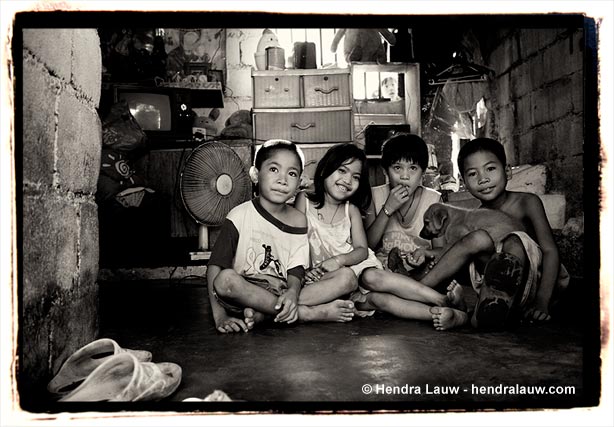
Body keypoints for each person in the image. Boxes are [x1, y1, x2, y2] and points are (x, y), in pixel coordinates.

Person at [427, 138, 570, 331]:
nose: (482, 179)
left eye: (490, 169)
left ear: (508, 171)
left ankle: (467, 312)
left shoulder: (527, 202)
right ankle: (434, 296)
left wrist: (542, 301)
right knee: (477, 239)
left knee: (514, 241)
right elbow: (457, 255)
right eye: (472, 174)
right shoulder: (477, 218)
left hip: (532, 285)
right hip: (494, 291)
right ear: (464, 183)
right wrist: (426, 254)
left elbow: (550, 250)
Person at [206, 139, 310, 333]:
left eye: (292, 173)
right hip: (246, 290)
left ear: (299, 182)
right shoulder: (239, 215)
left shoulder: (298, 220)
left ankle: (265, 313)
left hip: (281, 290)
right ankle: (305, 314)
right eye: (273, 170)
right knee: (225, 279)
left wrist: (293, 293)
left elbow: (297, 267)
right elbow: (215, 266)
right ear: (256, 174)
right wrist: (219, 316)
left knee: (345, 279)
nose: (283, 180)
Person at [355, 133, 462, 320]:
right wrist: (387, 209)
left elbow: (442, 251)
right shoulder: (375, 196)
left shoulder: (433, 199)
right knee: (371, 279)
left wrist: (424, 254)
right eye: (397, 168)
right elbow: (367, 247)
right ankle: (444, 305)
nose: (404, 177)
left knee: (381, 297)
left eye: (413, 168)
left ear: (422, 172)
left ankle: (436, 303)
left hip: (421, 277)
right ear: (385, 171)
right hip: (385, 277)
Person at [294, 143, 380, 320]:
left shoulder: (351, 210)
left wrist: (338, 260)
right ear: (325, 168)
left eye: (355, 177)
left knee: (348, 278)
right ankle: (288, 306)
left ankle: (274, 306)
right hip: (308, 278)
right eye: (342, 171)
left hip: (337, 279)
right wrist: (302, 271)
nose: (348, 180)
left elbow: (362, 250)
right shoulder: (304, 200)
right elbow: (295, 242)